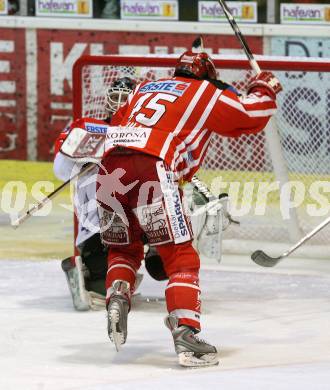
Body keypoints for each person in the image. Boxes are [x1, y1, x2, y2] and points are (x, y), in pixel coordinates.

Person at [96, 49, 282, 367]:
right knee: (180, 256)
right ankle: (187, 335)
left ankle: (118, 292)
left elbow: (113, 122)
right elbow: (251, 116)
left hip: (108, 167)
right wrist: (264, 86)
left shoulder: (144, 88)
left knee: (124, 251)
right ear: (207, 74)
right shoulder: (204, 91)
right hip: (152, 168)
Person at [54, 77, 146, 311]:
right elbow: (61, 170)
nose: (119, 103)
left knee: (163, 263)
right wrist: (87, 153)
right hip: (97, 225)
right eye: (116, 97)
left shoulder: (149, 133)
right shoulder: (86, 126)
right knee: (101, 288)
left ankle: (149, 252)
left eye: (126, 98)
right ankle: (89, 268)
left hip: (136, 220)